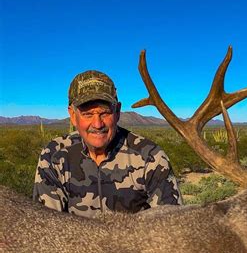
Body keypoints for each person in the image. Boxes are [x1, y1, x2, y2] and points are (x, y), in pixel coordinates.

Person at [33, 70, 182, 218]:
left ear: (117, 112)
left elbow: (173, 224)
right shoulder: (53, 156)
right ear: (72, 115)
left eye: (105, 113)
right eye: (88, 114)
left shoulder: (150, 156)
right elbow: (46, 224)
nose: (97, 124)